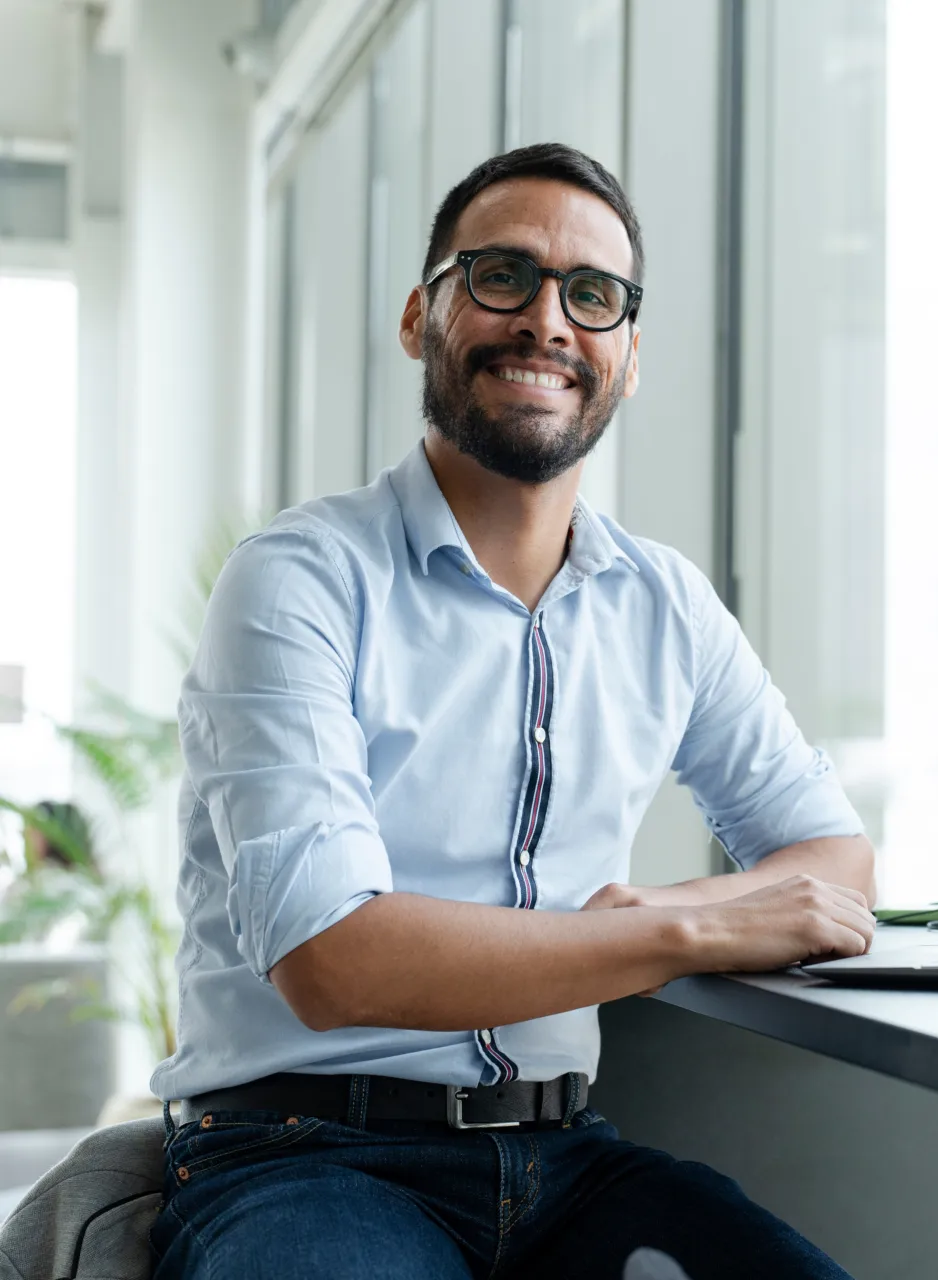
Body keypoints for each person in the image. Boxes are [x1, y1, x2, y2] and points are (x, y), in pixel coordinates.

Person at [148, 143, 876, 1279]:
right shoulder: (300, 577)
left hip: (565, 1157)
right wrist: (680, 929)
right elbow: (333, 956)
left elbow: (833, 859)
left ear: (628, 357)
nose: (548, 320)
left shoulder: (664, 602)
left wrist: (682, 902)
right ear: (419, 316)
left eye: (593, 296)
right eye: (502, 275)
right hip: (302, 1156)